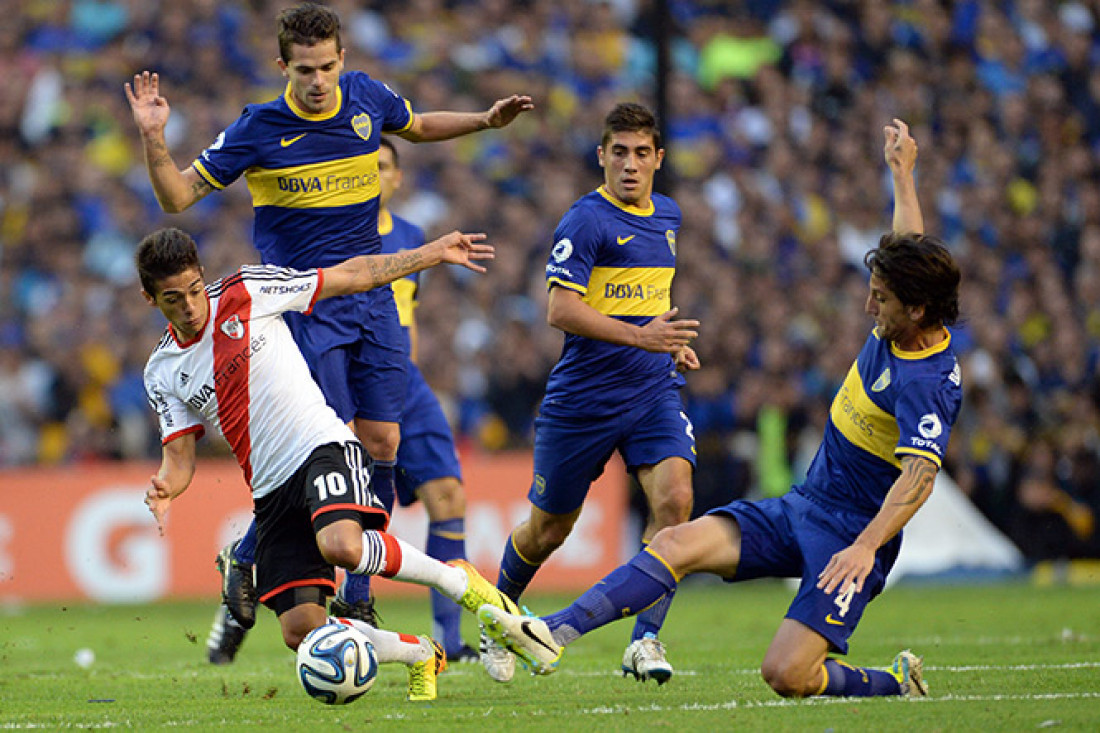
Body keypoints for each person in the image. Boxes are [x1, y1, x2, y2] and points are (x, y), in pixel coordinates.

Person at [478, 119, 962, 700]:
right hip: (803, 506)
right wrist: (902, 173)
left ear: (916, 309)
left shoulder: (927, 380)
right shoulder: (900, 320)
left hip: (852, 539)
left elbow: (919, 476)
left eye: (880, 299)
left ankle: (894, 685)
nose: (868, 306)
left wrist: (864, 547)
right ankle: (552, 631)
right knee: (669, 541)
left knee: (787, 675)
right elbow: (908, 248)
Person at [125, 1, 533, 632]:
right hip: (305, 307)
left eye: (326, 68)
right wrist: (154, 137)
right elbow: (176, 196)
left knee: (383, 443)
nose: (317, 83)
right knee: (327, 443)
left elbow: (419, 125)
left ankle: (334, 580)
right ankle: (287, 564)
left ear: (343, 59)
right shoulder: (257, 129)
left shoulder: (366, 99)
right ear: (282, 66)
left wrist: (484, 119)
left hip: (372, 297)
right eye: (304, 71)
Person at [138, 226, 520, 702]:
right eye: (174, 299)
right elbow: (179, 459)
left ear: (203, 277)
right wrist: (167, 487)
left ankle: (461, 583)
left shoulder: (247, 291)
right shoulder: (162, 371)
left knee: (341, 544)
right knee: (303, 633)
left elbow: (351, 275)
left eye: (195, 290)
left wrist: (429, 253)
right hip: (271, 493)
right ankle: (420, 652)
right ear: (150, 299)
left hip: (322, 446)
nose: (191, 307)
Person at [206, 137, 478, 665]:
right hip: (329, 363)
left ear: (397, 179)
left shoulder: (410, 237)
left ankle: (449, 639)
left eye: (382, 168)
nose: (372, 176)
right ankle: (253, 564)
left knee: (447, 495)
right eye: (362, 167)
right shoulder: (319, 231)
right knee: (323, 484)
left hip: (394, 372)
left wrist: (402, 372)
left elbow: (408, 313)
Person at [480, 102, 701, 684]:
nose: (630, 164)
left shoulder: (669, 216)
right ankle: (498, 614)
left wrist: (667, 345)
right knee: (547, 531)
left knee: (675, 502)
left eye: (641, 153)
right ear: (601, 156)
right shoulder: (586, 220)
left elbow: (642, 300)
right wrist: (642, 335)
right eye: (619, 152)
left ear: (658, 159)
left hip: (653, 390)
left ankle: (645, 641)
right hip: (583, 399)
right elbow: (560, 308)